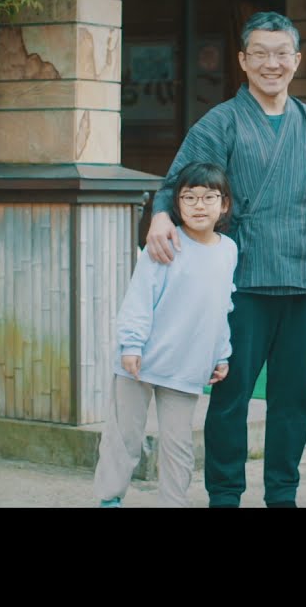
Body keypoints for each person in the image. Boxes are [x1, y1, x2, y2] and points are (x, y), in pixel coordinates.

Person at [141, 11, 306, 508]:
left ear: (297, 59)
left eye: (282, 53)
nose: (272, 64)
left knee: (295, 400)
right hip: (239, 280)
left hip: (304, 277)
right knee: (231, 397)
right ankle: (224, 495)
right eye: (260, 54)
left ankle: (282, 495)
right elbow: (177, 183)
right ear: (243, 61)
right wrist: (160, 215)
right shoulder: (221, 120)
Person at [93, 162, 237, 508]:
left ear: (224, 204)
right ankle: (109, 498)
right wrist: (131, 345)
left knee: (178, 445)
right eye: (189, 197)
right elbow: (140, 297)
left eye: (208, 197)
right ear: (177, 203)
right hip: (139, 361)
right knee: (123, 437)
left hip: (187, 365)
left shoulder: (229, 250)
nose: (199, 205)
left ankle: (174, 502)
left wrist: (221, 353)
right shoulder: (165, 242)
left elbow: (222, 306)